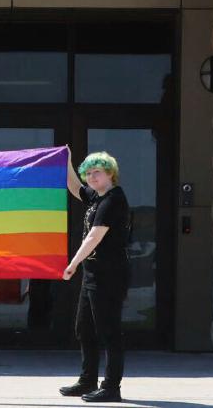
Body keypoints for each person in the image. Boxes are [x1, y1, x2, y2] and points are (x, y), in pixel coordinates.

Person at [60, 151, 131, 403]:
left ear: (110, 173)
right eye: (88, 173)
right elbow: (74, 187)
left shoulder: (113, 200)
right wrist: (66, 159)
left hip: (109, 275)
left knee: (109, 331)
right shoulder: (96, 198)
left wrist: (73, 263)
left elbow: (95, 236)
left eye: (96, 172)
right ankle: (87, 380)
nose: (91, 177)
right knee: (85, 328)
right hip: (93, 274)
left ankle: (112, 387)